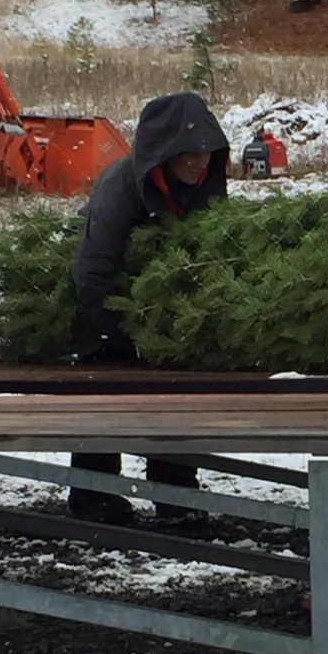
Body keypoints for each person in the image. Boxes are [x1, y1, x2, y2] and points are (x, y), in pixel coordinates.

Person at [69, 91, 230, 524]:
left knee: (183, 394)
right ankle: (93, 495)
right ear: (165, 153)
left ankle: (176, 494)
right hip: (105, 314)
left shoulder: (204, 191)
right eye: (190, 154)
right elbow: (92, 276)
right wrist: (126, 335)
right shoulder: (120, 189)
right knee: (104, 389)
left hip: (168, 319)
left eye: (207, 153)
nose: (200, 163)